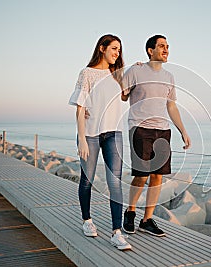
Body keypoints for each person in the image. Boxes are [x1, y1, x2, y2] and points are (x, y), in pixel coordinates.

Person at [121, 35, 191, 237]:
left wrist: (183, 130)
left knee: (157, 176)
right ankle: (131, 212)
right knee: (141, 176)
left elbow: (171, 105)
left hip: (163, 130)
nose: (166, 49)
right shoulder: (136, 70)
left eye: (167, 46)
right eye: (161, 46)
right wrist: (125, 75)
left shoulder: (169, 76)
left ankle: (147, 220)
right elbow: (124, 95)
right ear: (150, 50)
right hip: (140, 128)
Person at [68, 34, 131, 250]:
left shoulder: (117, 74)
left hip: (114, 133)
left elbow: (123, 96)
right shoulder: (86, 73)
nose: (117, 53)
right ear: (102, 48)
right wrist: (82, 139)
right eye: (114, 48)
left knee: (115, 182)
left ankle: (117, 232)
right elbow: (80, 108)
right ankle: (87, 220)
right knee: (87, 179)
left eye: (119, 50)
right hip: (91, 135)